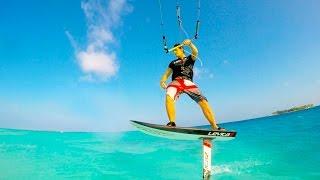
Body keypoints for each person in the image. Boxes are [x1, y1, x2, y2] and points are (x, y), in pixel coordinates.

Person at [160, 39, 225, 130]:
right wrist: (162, 81)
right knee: (169, 95)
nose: (174, 52)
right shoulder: (173, 63)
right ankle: (172, 122)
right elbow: (166, 74)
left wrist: (190, 44)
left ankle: (214, 126)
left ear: (181, 49)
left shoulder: (190, 58)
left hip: (188, 82)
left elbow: (195, 51)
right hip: (176, 82)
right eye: (173, 51)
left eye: (176, 50)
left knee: (203, 101)